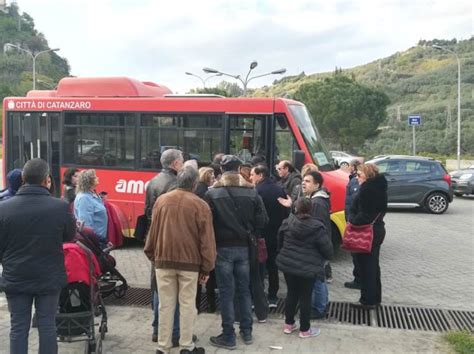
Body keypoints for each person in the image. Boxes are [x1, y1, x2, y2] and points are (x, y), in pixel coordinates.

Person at [0, 158, 76, 354]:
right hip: (49, 277)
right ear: (46, 180)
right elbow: (70, 236)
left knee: (18, 327)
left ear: (23, 178)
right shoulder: (59, 207)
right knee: (47, 325)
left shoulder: (4, 208)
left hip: (16, 276)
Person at [144, 166, 216, 354]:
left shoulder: (162, 201)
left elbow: (153, 231)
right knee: (187, 305)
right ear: (194, 184)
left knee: (165, 305)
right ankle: (186, 345)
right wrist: (207, 268)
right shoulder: (200, 205)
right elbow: (206, 241)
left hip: (163, 261)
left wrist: (152, 254)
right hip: (190, 264)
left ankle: (163, 346)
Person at [205, 155, 268, 350]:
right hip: (245, 248)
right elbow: (263, 220)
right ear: (240, 169)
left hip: (222, 248)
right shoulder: (252, 192)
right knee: (244, 289)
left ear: (222, 170)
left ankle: (228, 335)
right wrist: (250, 231)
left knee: (226, 292)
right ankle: (247, 332)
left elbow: (207, 224)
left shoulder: (212, 194)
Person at [276, 198, 333, 338]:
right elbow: (327, 250)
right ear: (311, 210)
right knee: (305, 297)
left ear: (295, 208)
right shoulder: (317, 227)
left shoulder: (287, 222)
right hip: (309, 268)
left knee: (291, 293)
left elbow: (279, 242)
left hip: (288, 265)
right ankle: (305, 330)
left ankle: (288, 325)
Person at [144, 149, 184, 344]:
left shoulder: (153, 181)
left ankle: (156, 328)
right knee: (171, 288)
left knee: (157, 285)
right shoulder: (176, 184)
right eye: (182, 161)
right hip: (170, 238)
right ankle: (173, 332)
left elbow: (147, 211)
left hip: (155, 236)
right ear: (176, 163)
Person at [349, 163, 387, 309]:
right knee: (373, 267)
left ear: (367, 175)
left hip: (367, 232)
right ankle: (375, 298)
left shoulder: (368, 190)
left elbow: (365, 215)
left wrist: (352, 220)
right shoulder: (379, 187)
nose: (357, 177)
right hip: (376, 231)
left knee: (366, 268)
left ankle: (368, 300)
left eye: (359, 175)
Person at [250, 164, 288, 308]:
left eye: (253, 174)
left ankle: (258, 297)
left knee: (259, 266)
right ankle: (273, 296)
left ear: (260, 175)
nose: (250, 177)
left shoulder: (256, 191)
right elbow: (285, 212)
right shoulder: (280, 189)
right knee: (273, 266)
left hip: (261, 235)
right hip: (276, 234)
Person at [74, 169, 108, 246]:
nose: (98, 178)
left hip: (100, 239)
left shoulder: (92, 194)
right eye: (95, 177)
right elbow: (86, 225)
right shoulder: (84, 198)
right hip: (95, 242)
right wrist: (96, 242)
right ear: (89, 181)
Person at [344, 159, 362, 290]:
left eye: (350, 165)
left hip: (354, 221)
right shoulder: (353, 180)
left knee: (356, 253)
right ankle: (358, 278)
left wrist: (351, 219)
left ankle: (359, 280)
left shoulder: (356, 182)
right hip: (351, 218)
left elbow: (354, 202)